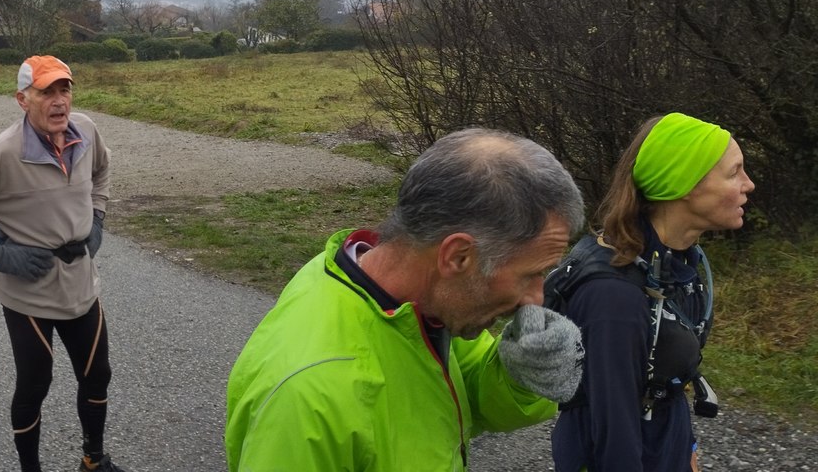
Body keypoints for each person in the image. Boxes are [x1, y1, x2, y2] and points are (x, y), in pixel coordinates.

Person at [225, 128, 587, 471]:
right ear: (458, 256)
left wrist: (522, 374)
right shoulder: (309, 396)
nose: (536, 298)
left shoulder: (415, 304)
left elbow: (465, 397)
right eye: (529, 274)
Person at [0, 55, 127, 472]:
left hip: (80, 281)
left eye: (64, 89)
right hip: (29, 292)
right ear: (22, 99)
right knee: (35, 385)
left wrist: (98, 216)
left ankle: (94, 460)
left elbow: (103, 169)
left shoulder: (86, 130)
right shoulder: (2, 153)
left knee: (97, 374)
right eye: (46, 92)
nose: (59, 101)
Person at [549, 113, 754, 472]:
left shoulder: (675, 262)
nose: (748, 184)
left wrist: (686, 448)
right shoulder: (613, 296)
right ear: (685, 184)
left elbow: (663, 381)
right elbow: (612, 438)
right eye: (734, 172)